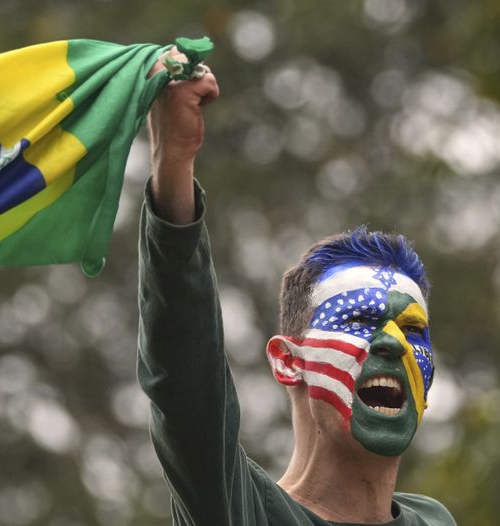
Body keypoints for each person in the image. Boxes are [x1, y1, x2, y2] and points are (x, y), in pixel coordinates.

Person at [137, 50, 456, 525]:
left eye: (413, 330)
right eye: (359, 319)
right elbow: (186, 383)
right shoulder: (243, 511)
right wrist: (173, 163)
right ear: (288, 360)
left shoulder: (434, 520)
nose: (392, 342)